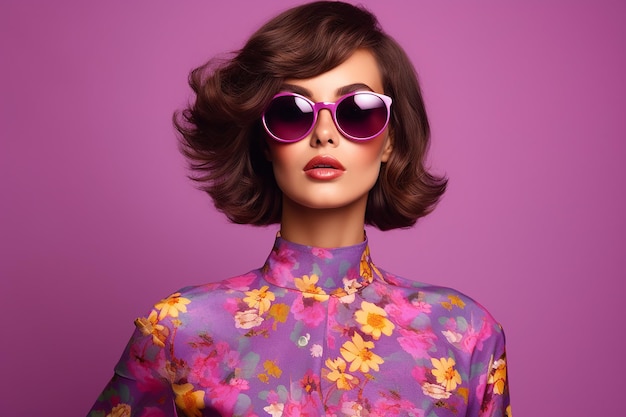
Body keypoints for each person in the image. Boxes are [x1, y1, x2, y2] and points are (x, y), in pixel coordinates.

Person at [88, 2, 511, 416]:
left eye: (358, 112)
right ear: (264, 140)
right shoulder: (179, 329)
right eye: (292, 112)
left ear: (390, 142)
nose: (324, 134)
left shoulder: (464, 334)